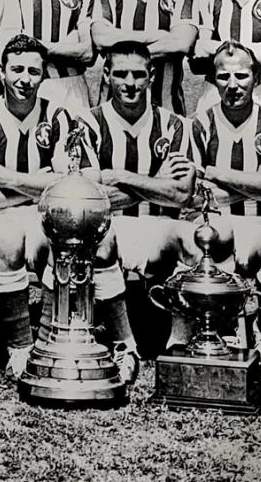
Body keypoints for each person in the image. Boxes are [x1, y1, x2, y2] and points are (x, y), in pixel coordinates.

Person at [0, 35, 137, 381]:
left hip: (47, 215)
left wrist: (4, 176)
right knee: (6, 236)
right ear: (1, 72)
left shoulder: (60, 117)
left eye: (33, 71)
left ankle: (125, 346)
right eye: (16, 69)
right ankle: (20, 347)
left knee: (99, 239)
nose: (24, 79)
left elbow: (79, 185)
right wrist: (42, 182)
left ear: (44, 76)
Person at [85, 41, 197, 358]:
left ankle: (179, 347)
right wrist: (156, 181)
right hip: (111, 228)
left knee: (192, 238)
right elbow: (91, 197)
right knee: (102, 237)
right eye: (121, 74)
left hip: (160, 228)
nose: (130, 83)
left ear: (150, 76)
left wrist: (119, 176)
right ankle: (126, 346)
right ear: (105, 75)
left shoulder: (176, 126)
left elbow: (181, 193)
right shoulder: (87, 123)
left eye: (138, 74)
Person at [189, 41, 261, 357]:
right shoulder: (201, 123)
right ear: (213, 79)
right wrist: (257, 181)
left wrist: (215, 173)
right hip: (217, 216)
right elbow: (196, 191)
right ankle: (224, 328)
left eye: (241, 76)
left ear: (256, 78)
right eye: (223, 77)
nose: (233, 86)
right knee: (212, 238)